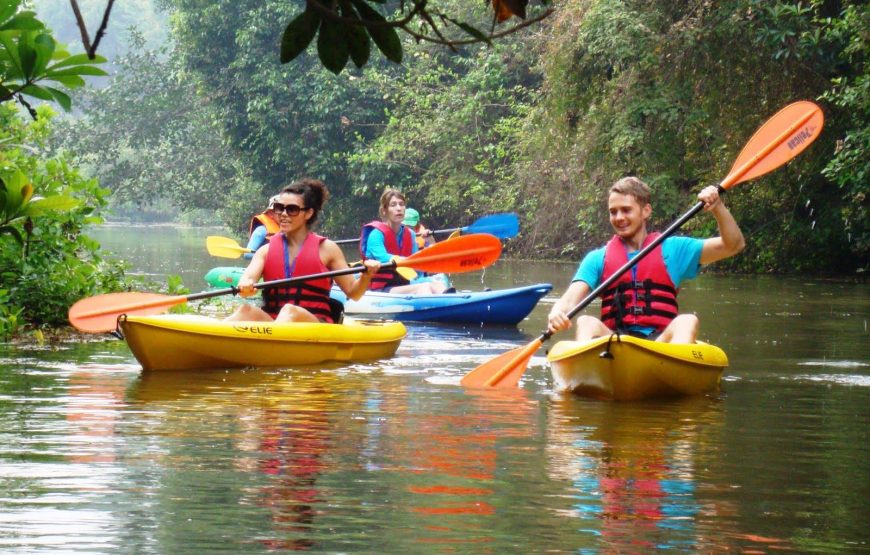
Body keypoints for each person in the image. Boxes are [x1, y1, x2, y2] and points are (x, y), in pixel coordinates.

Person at [547, 176, 745, 344]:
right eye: (613, 211)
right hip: (614, 343)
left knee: (687, 321)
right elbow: (570, 299)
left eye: (626, 210)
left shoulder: (673, 249)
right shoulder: (598, 258)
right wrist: (557, 312)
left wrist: (717, 207)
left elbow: (733, 245)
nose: (618, 217)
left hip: (660, 344)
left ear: (646, 211)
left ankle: (673, 372)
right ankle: (588, 376)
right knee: (585, 322)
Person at [226, 178, 380, 323]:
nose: (284, 214)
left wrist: (367, 276)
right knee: (245, 310)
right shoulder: (265, 251)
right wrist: (246, 285)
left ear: (308, 213)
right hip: (274, 324)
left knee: (290, 311)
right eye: (279, 208)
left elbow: (354, 293)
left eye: (292, 209)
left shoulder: (327, 249)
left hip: (314, 324)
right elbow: (246, 280)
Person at [360, 189, 449, 294]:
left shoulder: (410, 234)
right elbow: (384, 258)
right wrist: (408, 261)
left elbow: (416, 267)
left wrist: (430, 249)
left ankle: (453, 305)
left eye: (401, 204)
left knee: (437, 284)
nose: (399, 208)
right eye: (393, 205)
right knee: (423, 287)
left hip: (404, 284)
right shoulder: (375, 235)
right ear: (384, 210)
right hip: (381, 289)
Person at [243, 195, 281, 260]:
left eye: (289, 210)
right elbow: (247, 254)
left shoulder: (292, 231)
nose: (284, 213)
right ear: (271, 213)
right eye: (280, 210)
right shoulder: (261, 230)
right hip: (264, 268)